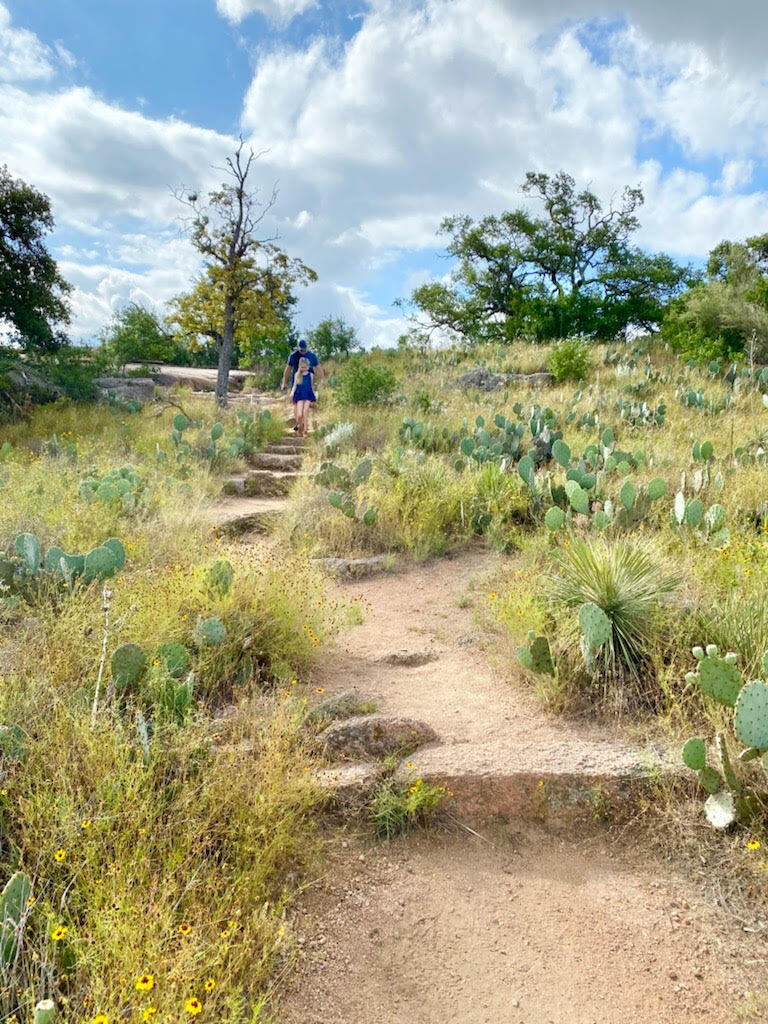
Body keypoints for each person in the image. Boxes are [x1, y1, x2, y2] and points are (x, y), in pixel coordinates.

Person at [290, 356, 316, 436]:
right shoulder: (297, 375)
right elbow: (294, 385)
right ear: (299, 366)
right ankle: (300, 426)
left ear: (308, 366)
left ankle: (305, 431)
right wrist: (292, 393)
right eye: (302, 367)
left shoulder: (310, 375)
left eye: (305, 367)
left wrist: (314, 395)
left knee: (305, 412)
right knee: (299, 414)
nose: (303, 368)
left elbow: (311, 386)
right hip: (299, 395)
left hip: (308, 395)